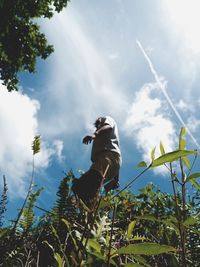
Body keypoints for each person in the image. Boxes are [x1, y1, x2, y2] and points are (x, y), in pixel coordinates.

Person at [71, 116, 122, 206]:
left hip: (106, 157)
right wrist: (115, 179)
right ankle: (89, 209)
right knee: (85, 190)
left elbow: (108, 126)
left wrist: (95, 134)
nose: (97, 126)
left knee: (80, 186)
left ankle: (86, 208)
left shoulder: (105, 119)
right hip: (110, 162)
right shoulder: (109, 140)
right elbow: (114, 159)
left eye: (98, 124)